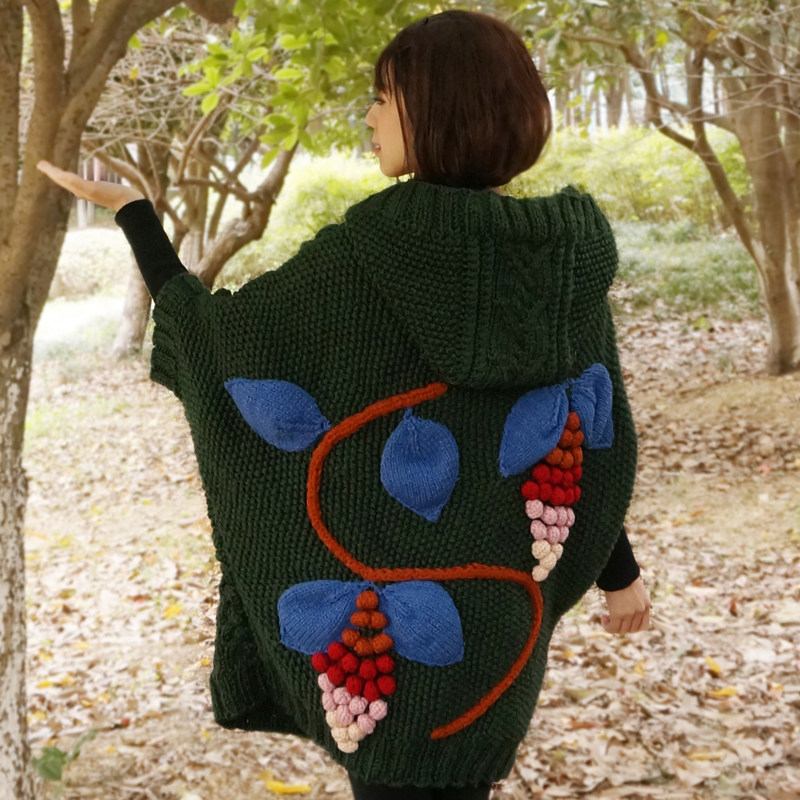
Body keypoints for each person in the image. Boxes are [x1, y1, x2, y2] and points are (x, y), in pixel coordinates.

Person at [38, 9, 650, 799]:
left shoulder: (366, 258)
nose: (369, 115)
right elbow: (579, 443)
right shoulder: (561, 261)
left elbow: (221, 348)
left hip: (394, 645)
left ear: (439, 108)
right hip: (500, 630)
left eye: (384, 97)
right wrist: (619, 572)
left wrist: (135, 216)